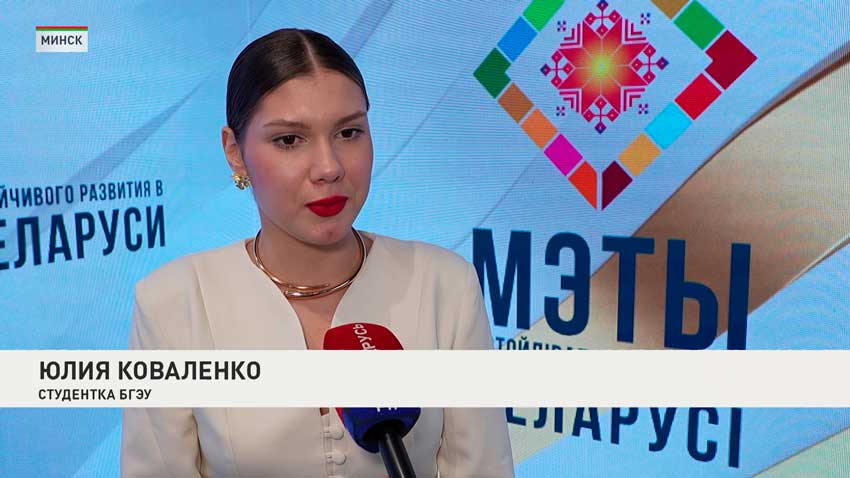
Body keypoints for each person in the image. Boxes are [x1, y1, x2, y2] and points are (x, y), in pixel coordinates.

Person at [120, 28, 515, 477]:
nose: (329, 168)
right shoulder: (173, 303)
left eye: (349, 132)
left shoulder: (446, 284)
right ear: (235, 152)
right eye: (289, 140)